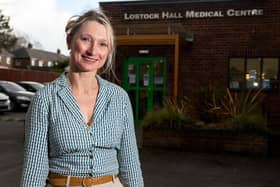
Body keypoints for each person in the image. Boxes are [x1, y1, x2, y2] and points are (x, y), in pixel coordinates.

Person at [20, 9, 144, 187]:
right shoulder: (45, 99)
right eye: (86, 39)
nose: (93, 50)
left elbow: (130, 165)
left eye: (103, 44)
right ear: (70, 41)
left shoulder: (119, 98)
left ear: (108, 51)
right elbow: (34, 169)